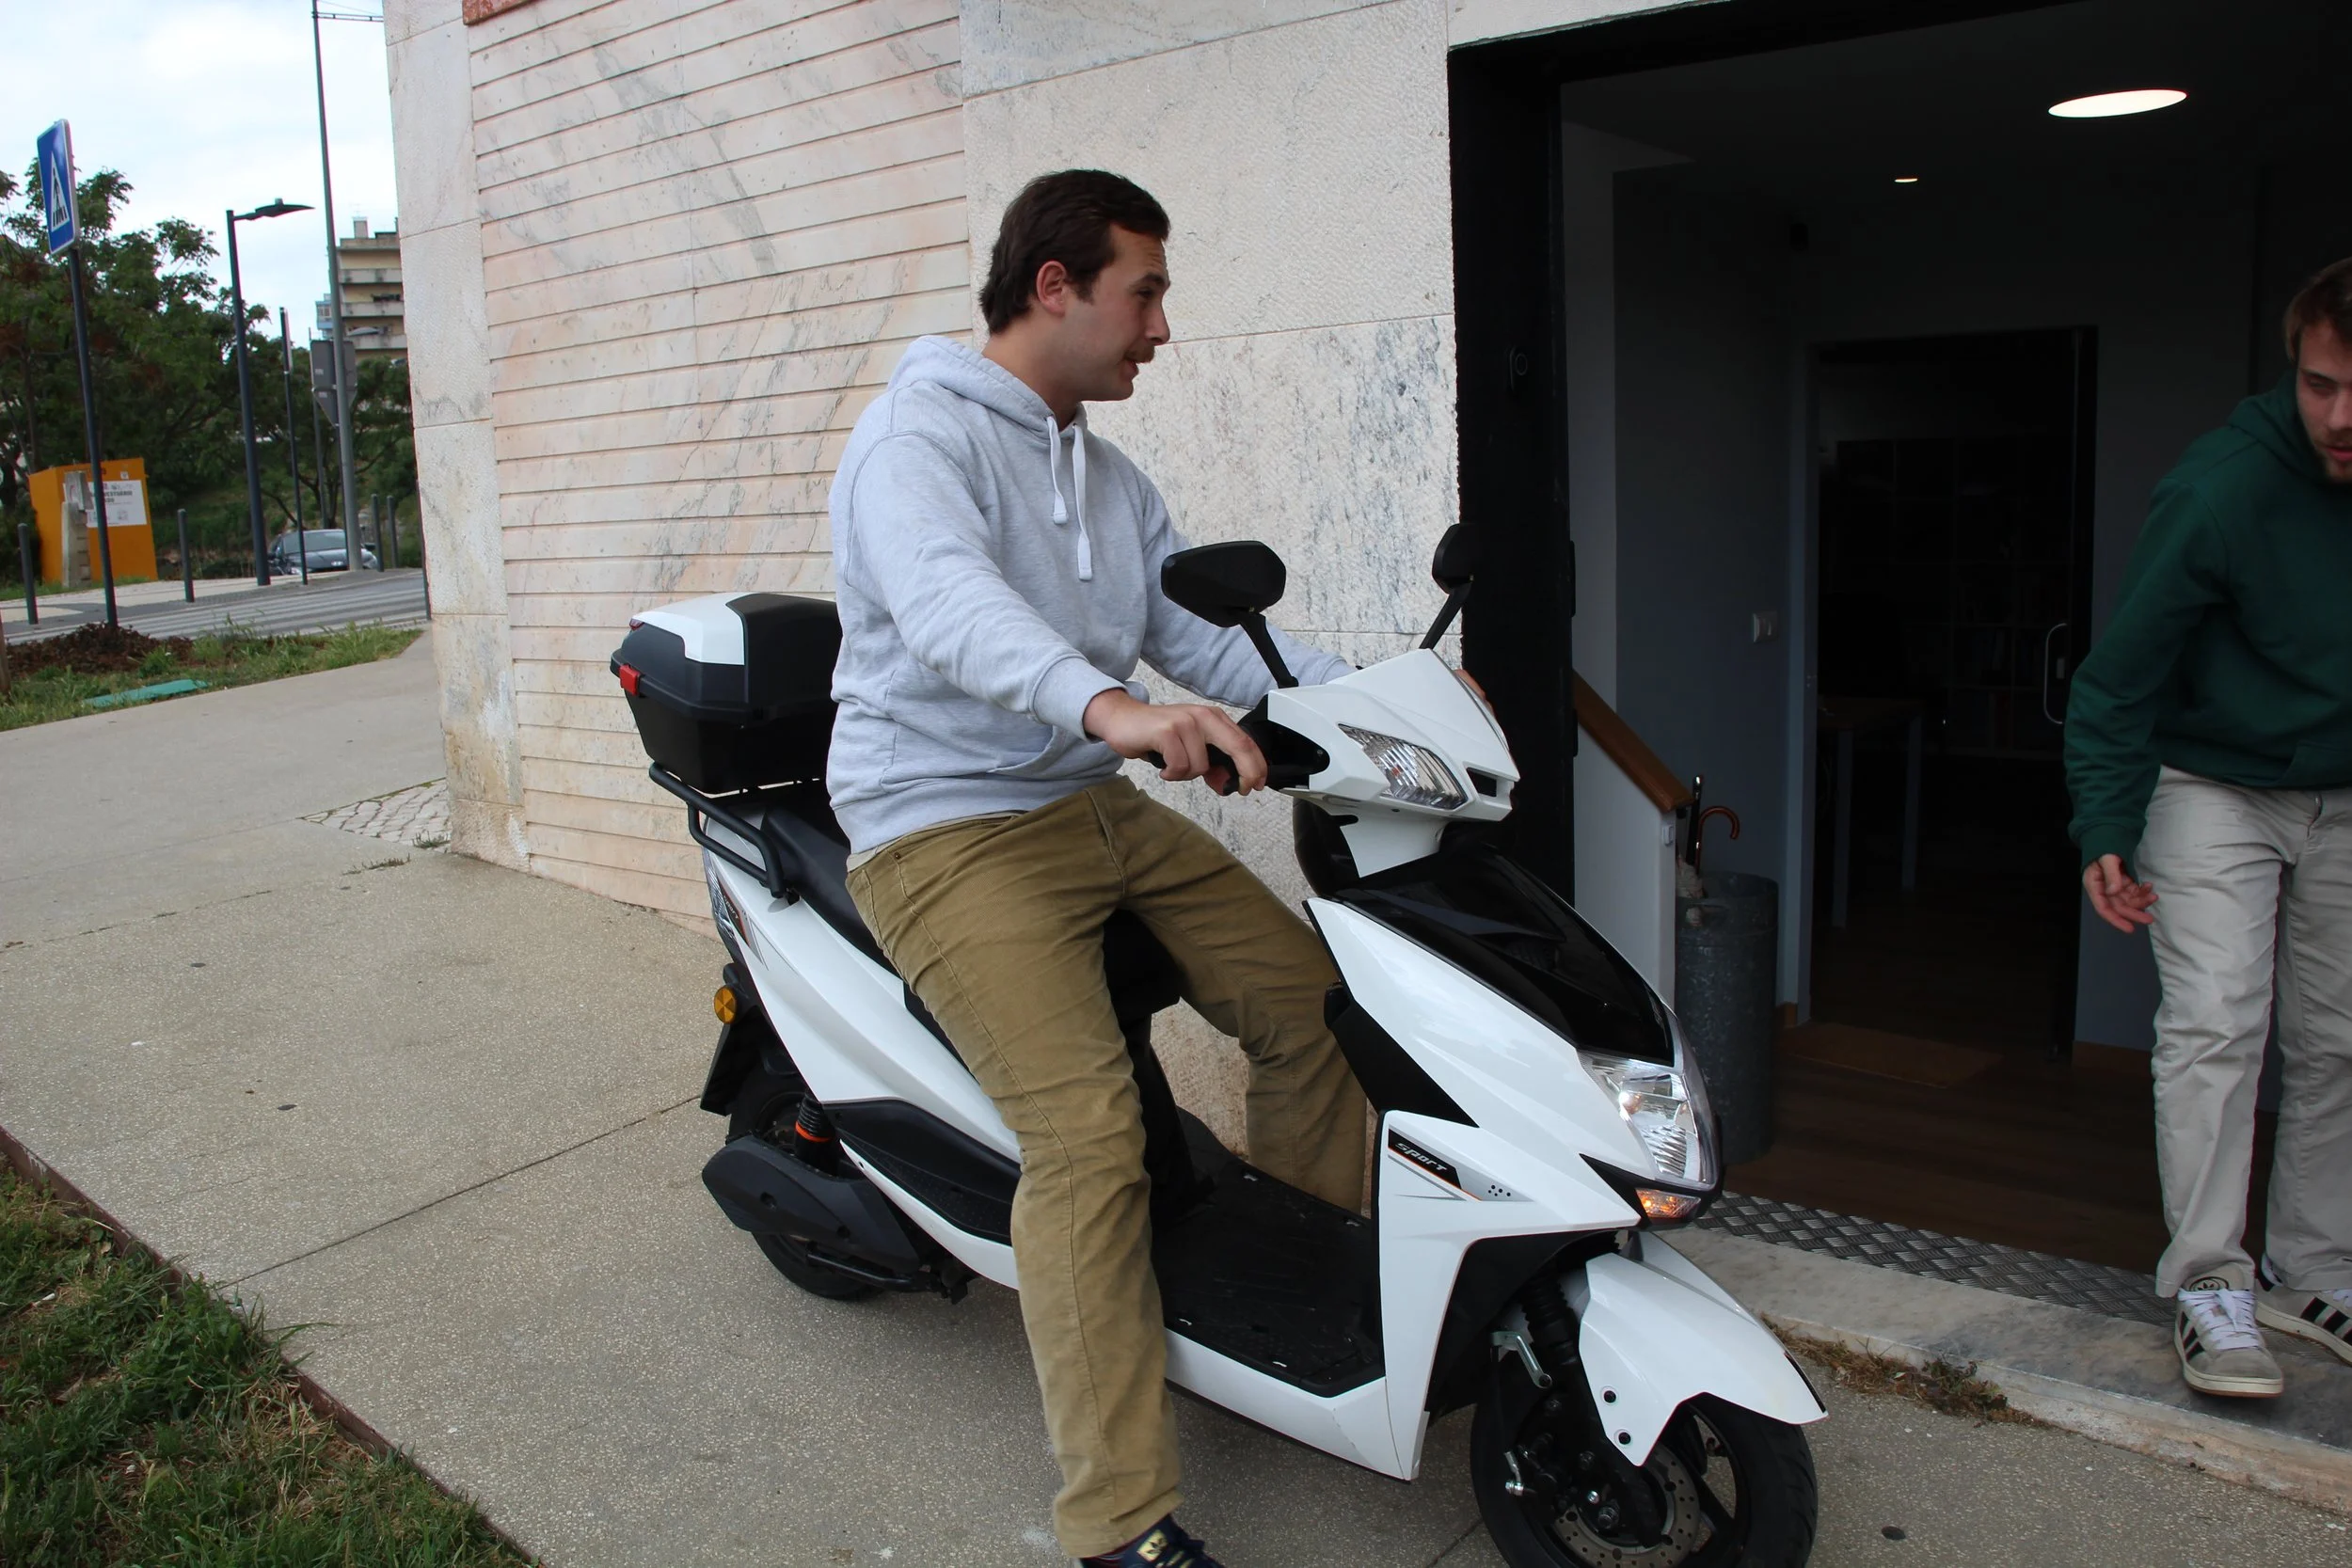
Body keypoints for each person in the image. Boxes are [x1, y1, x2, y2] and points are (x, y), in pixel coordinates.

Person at [826, 169, 1368, 1566]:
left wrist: (1397, 695)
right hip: (940, 822)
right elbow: (952, 609)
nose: (1163, 328)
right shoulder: (914, 443)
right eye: (1148, 290)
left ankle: (1305, 1289)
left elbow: (1210, 648)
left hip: (1082, 799)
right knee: (1087, 1141)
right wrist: (1114, 713)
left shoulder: (1107, 476)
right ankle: (1117, 1519)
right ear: (1056, 286)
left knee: (1316, 1003)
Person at [2066, 256, 2352, 1399]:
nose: (2341, 416)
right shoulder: (2223, 488)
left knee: (2337, 1040)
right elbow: (2118, 676)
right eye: (2321, 384)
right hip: (2212, 781)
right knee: (2218, 1020)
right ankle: (2209, 1285)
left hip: (2345, 786)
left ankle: (2310, 1268)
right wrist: (2105, 820)